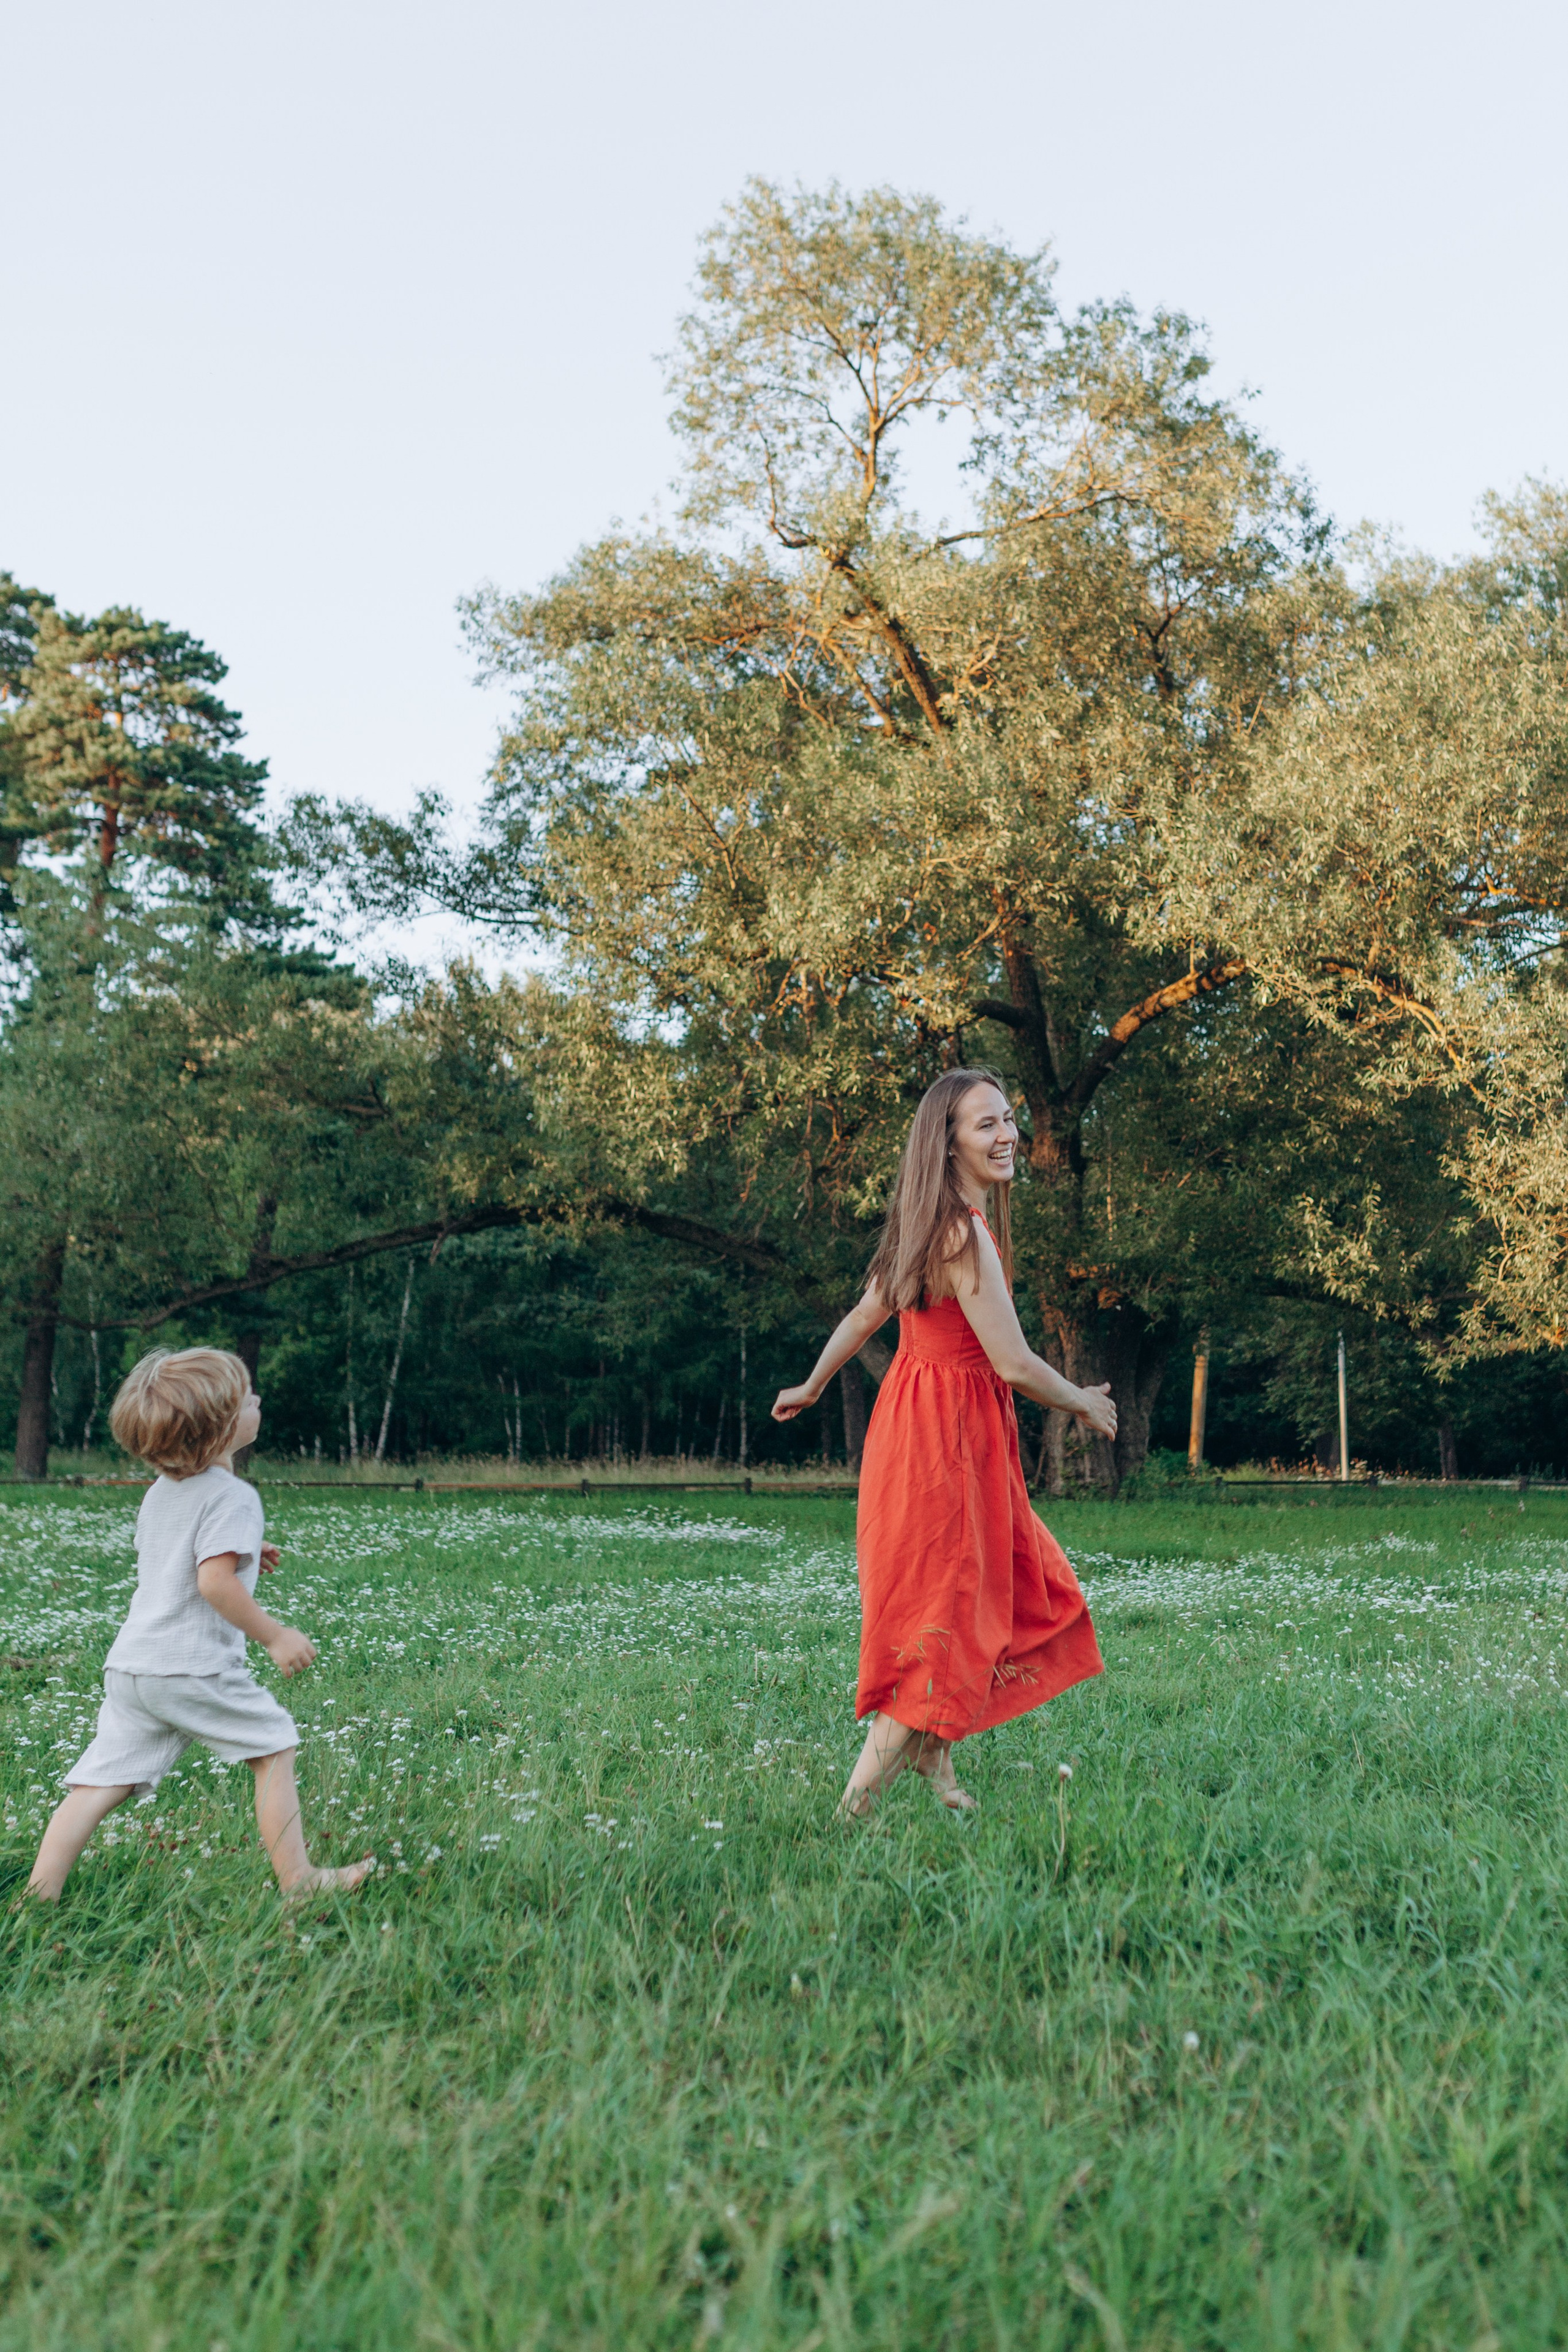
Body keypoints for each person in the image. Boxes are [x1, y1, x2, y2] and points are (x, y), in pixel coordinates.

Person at [773, 1069, 1115, 1817]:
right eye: (985, 1125)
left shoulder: (929, 1223)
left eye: (1008, 1119)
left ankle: (938, 1767)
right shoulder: (960, 1233)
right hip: (944, 1441)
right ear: (949, 1142)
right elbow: (1014, 1363)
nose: (1006, 1136)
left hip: (918, 1427)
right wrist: (1083, 1403)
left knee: (962, 1593)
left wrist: (812, 1383)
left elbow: (865, 1316)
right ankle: (851, 1814)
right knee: (944, 1611)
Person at [28, 1348, 373, 1903]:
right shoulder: (234, 1496)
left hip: (133, 1669)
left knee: (98, 1785)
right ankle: (301, 1881)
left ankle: (38, 1895)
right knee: (275, 1749)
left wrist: (245, 1550)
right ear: (220, 1431)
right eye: (246, 1397)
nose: (256, 1400)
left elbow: (173, 1555)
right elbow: (213, 1584)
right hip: (191, 1668)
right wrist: (275, 1635)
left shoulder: (161, 1494)